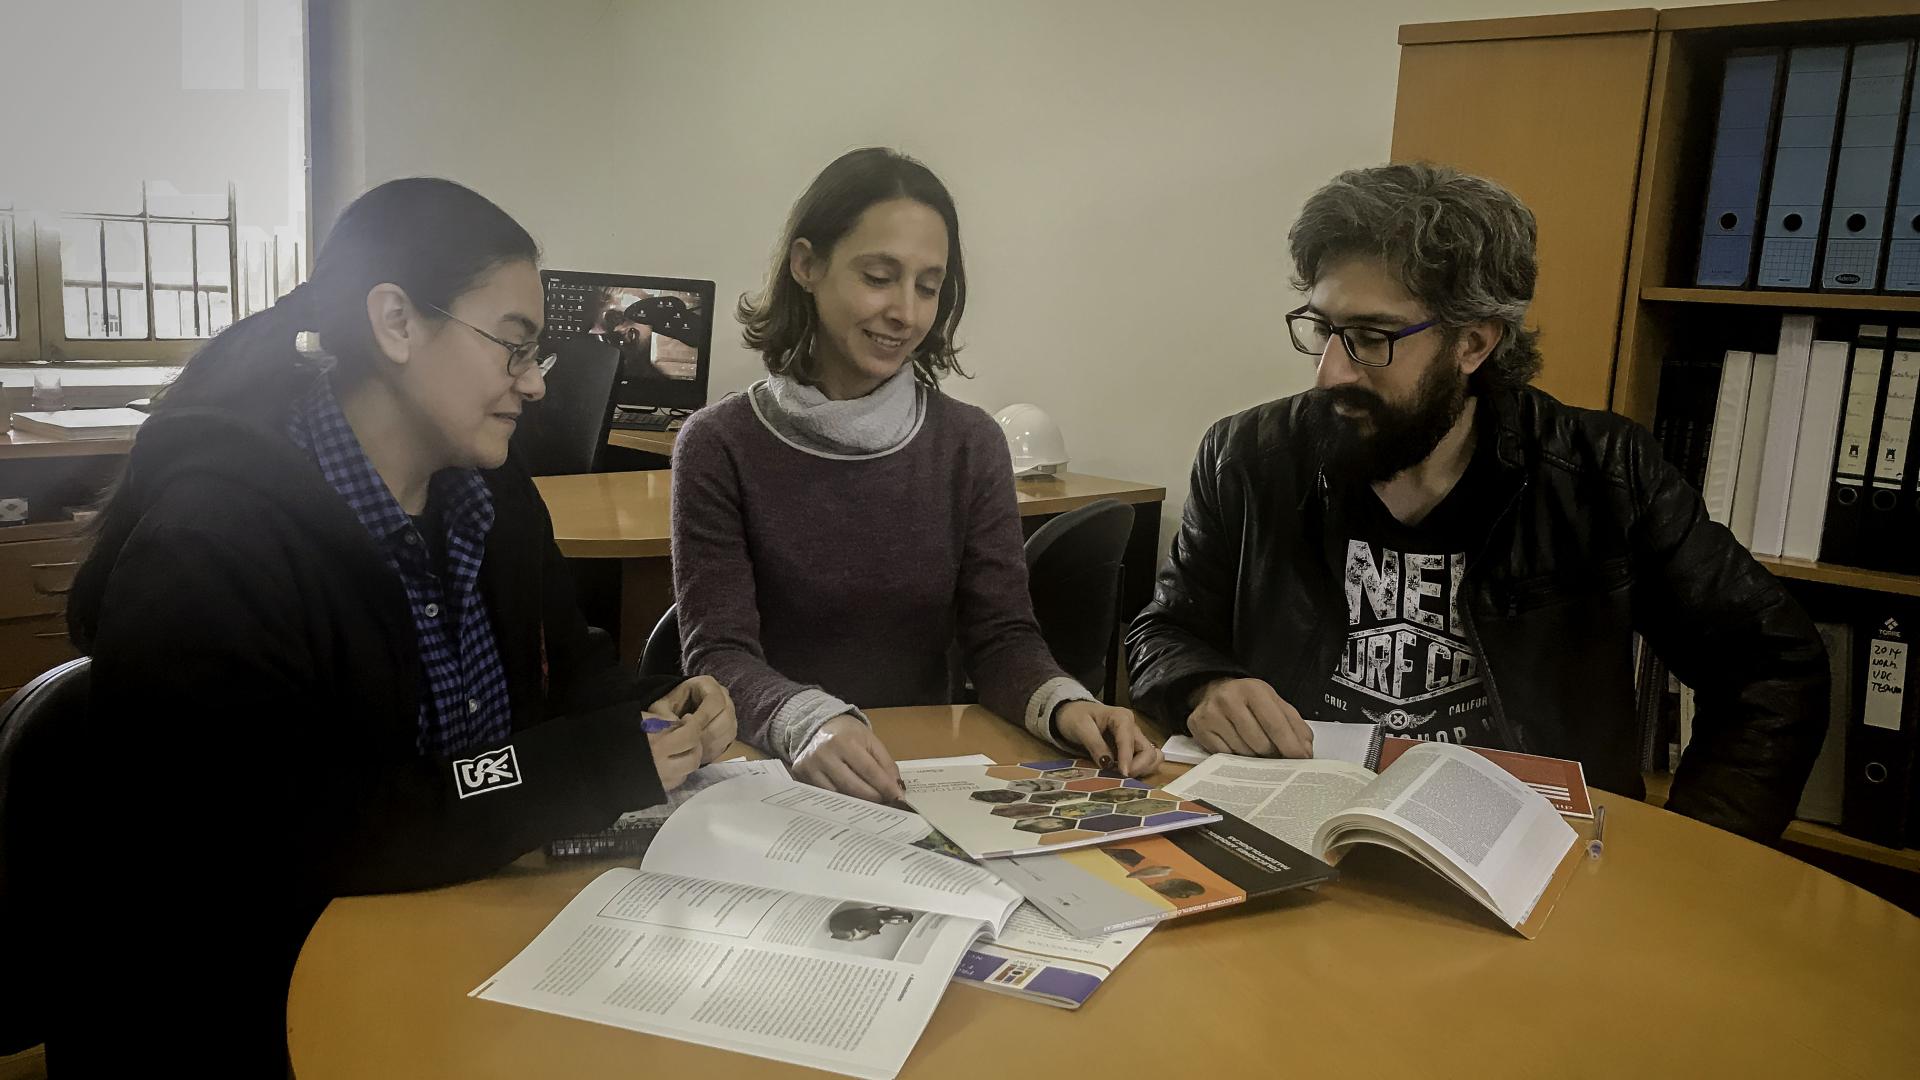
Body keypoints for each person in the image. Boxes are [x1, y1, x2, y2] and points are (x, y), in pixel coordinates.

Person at [42, 177, 736, 1073]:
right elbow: (329, 828)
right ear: (397, 322)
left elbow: (567, 674)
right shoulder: (212, 552)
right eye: (513, 347)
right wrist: (589, 761)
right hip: (260, 1003)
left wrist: (658, 706)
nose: (532, 383)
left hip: (453, 941)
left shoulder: (491, 498)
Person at [1126, 163, 1826, 842]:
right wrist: (1202, 684)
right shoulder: (1249, 458)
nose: (1330, 370)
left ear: (1473, 342)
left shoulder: (1600, 472)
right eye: (1321, 327)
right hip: (1301, 830)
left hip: (1520, 850)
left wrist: (1695, 855)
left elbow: (1771, 666)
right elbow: (1164, 629)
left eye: (1371, 337)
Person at [672, 147, 1161, 802]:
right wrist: (813, 721)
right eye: (879, 276)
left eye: (928, 287)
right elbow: (718, 657)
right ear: (807, 264)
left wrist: (1068, 706)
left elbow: (1002, 638)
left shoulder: (969, 444)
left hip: (921, 778)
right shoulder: (718, 445)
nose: (906, 312)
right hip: (776, 773)